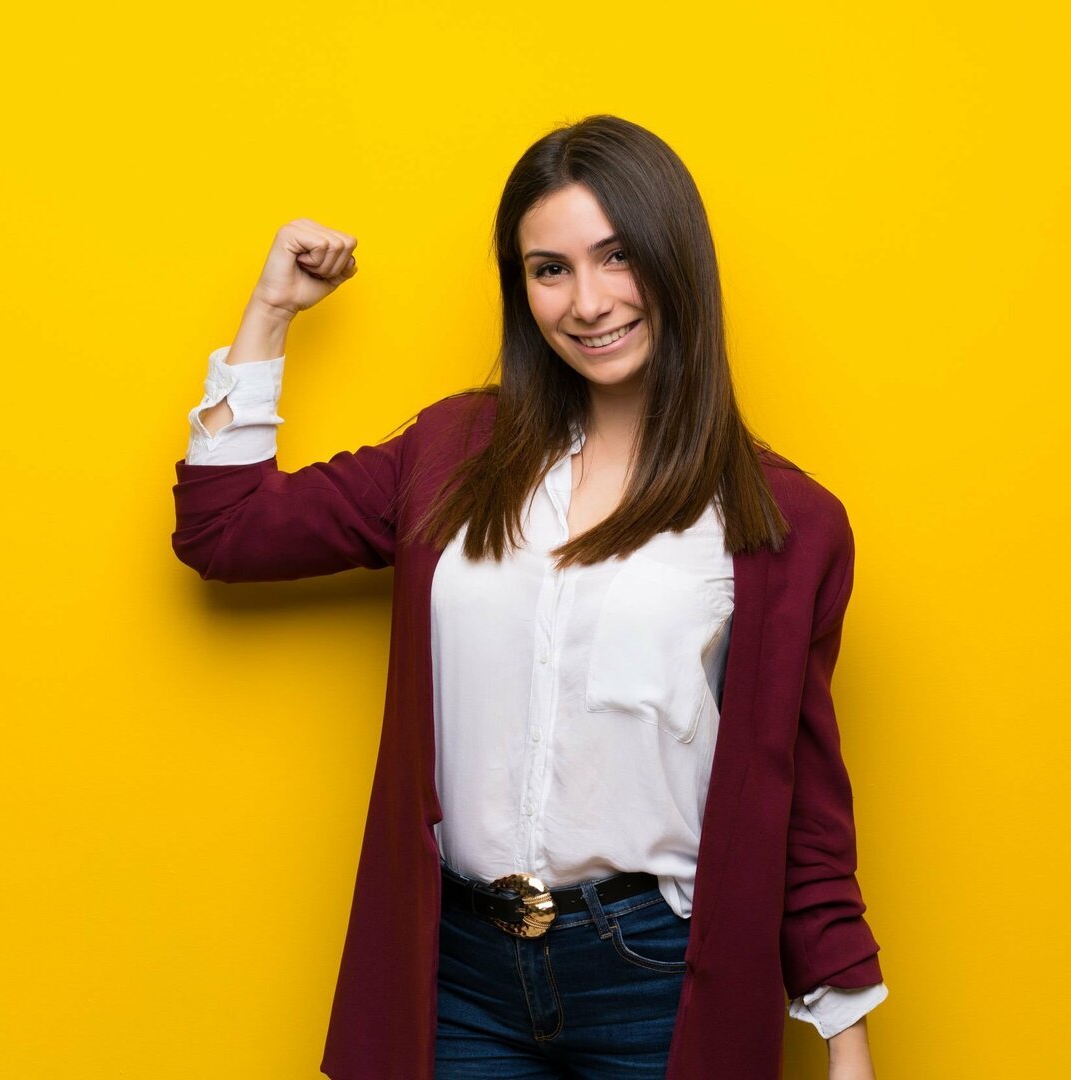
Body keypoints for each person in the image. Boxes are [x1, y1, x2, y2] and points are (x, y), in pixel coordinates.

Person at [172, 114, 887, 1079]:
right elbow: (227, 532)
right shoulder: (449, 454)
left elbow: (798, 805)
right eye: (549, 269)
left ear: (677, 262)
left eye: (617, 256)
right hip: (460, 976)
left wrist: (848, 1044)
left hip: (658, 982)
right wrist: (271, 310)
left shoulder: (781, 523)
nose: (588, 302)